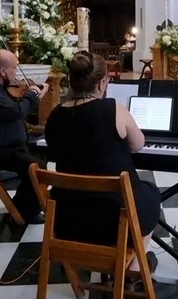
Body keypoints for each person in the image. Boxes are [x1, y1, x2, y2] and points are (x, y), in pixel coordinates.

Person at [44, 51, 161, 272]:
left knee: (132, 195)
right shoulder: (113, 109)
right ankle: (136, 267)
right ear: (102, 83)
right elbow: (138, 145)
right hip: (114, 221)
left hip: (68, 220)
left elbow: (56, 150)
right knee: (150, 194)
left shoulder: (54, 116)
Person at [0, 49, 50, 224]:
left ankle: (21, 205)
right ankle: (25, 212)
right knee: (37, 167)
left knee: (44, 152)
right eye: (14, 68)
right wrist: (33, 94)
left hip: (10, 144)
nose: (16, 73)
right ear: (2, 72)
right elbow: (16, 111)